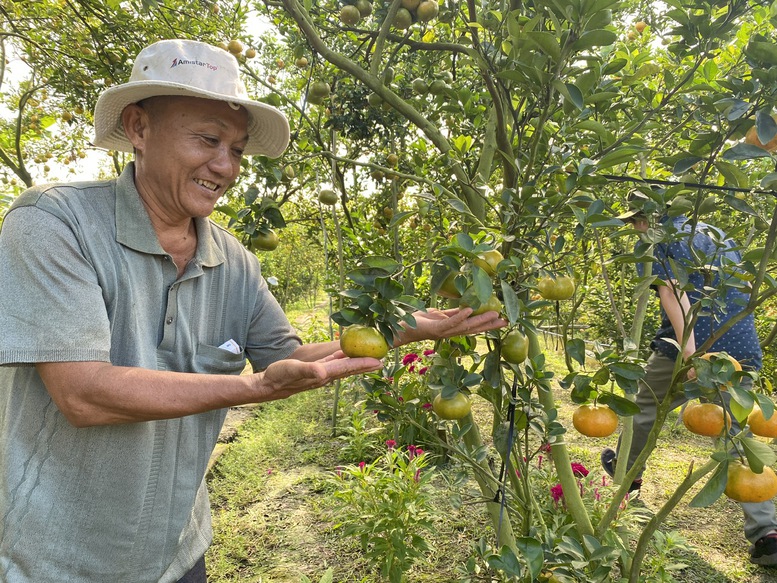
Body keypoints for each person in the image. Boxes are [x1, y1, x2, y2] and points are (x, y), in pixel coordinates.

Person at [0, 39, 507, 583]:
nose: (225, 165)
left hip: (176, 552)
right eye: (207, 139)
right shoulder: (54, 224)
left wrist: (400, 330)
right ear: (139, 128)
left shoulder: (232, 260)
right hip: (55, 560)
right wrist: (252, 389)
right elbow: (81, 393)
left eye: (237, 149)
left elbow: (286, 356)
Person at [601, 194, 777, 566]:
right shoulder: (716, 232)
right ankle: (768, 534)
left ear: (646, 217)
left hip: (693, 343)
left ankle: (625, 480)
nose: (635, 228)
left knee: (643, 408)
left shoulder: (656, 239)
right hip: (740, 346)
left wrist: (690, 352)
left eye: (635, 221)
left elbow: (672, 292)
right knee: (737, 432)